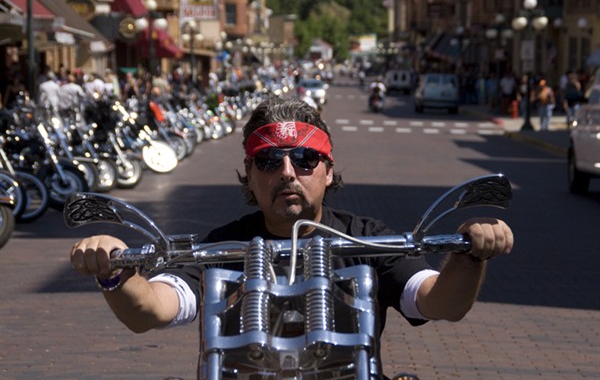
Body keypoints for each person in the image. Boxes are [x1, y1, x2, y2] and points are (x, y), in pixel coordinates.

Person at [70, 98, 514, 368]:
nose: (287, 172)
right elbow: (150, 310)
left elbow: (439, 302)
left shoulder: (367, 239)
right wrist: (114, 270)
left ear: (327, 169)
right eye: (268, 161)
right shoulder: (218, 247)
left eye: (304, 159)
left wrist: (470, 254)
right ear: (249, 174)